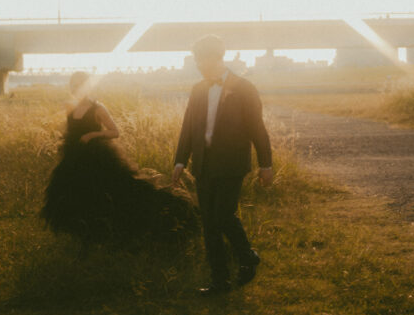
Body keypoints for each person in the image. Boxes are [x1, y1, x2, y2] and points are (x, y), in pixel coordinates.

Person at [41, 71, 198, 249]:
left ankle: (115, 231)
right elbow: (71, 130)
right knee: (72, 194)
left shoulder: (98, 108)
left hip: (96, 157)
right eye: (73, 85)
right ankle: (83, 233)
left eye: (80, 85)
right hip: (74, 157)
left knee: (111, 192)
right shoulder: (70, 107)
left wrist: (93, 135)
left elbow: (114, 132)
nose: (76, 88)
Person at [172, 35, 273, 295]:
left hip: (231, 163)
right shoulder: (198, 89)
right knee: (209, 223)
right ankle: (220, 280)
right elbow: (188, 127)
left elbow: (257, 128)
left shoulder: (244, 88)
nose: (198, 64)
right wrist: (180, 160)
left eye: (201, 59)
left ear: (216, 58)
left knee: (223, 215)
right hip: (203, 164)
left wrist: (266, 164)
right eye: (196, 60)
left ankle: (246, 255)